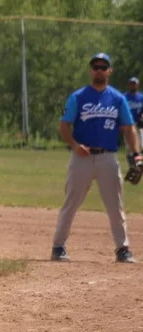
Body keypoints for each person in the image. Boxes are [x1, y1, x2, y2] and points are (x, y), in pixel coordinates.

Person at [51, 52, 141, 264]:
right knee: (71, 202)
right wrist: (74, 145)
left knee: (115, 205)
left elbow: (129, 129)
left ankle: (123, 249)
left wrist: (137, 154)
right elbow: (64, 126)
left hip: (108, 158)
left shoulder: (117, 99)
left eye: (103, 67)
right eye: (95, 67)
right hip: (81, 157)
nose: (99, 70)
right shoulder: (79, 96)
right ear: (91, 70)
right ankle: (58, 246)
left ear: (109, 71)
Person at [124, 76, 143, 151]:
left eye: (134, 84)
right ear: (128, 85)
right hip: (128, 124)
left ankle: (139, 161)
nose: (133, 85)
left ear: (138, 85)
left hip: (139, 123)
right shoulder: (124, 97)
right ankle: (132, 162)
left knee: (141, 145)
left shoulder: (141, 97)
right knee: (130, 147)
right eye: (131, 84)